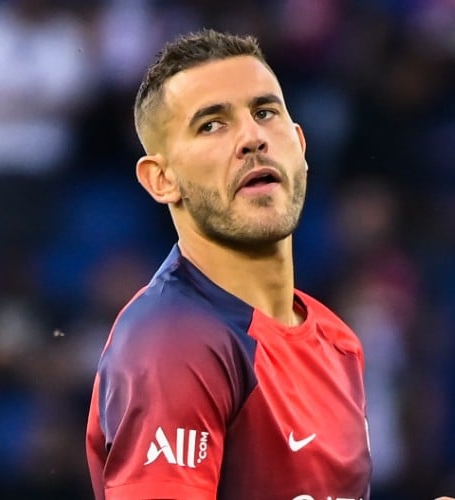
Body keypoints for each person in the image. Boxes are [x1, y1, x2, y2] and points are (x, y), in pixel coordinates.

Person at [84, 29, 369, 500]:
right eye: (211, 125)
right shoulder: (174, 342)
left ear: (299, 145)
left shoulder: (338, 342)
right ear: (161, 179)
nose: (253, 138)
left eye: (265, 112)